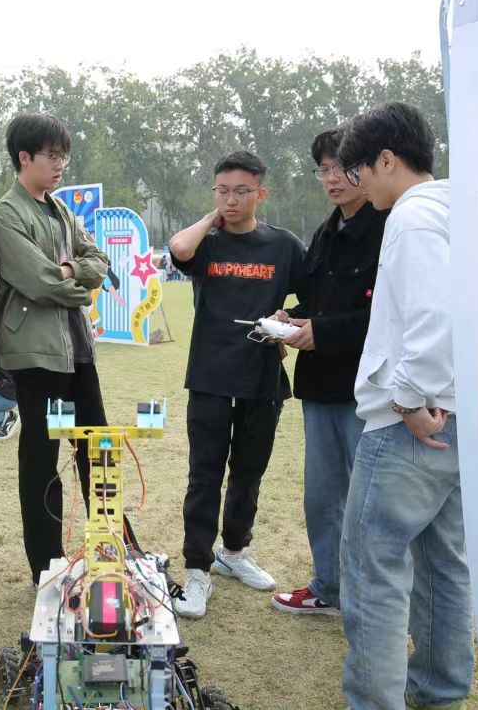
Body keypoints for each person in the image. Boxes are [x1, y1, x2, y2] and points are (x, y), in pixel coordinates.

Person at [335, 102, 470, 710]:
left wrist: (410, 396)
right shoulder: (460, 209)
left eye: (359, 171)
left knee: (373, 569)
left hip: (409, 424)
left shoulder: (413, 217)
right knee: (444, 563)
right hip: (460, 418)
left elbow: (433, 317)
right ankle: (440, 689)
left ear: (386, 160)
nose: (358, 186)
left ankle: (375, 700)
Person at [0, 112, 137, 585]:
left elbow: (99, 259)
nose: (60, 165)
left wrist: (69, 272)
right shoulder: (7, 213)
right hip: (36, 356)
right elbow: (37, 280)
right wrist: (76, 282)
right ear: (24, 157)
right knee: (42, 460)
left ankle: (118, 552)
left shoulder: (59, 210)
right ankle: (47, 567)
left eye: (64, 157)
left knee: (98, 451)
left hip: (76, 349)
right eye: (52, 156)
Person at [167, 151, 304, 619]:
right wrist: (213, 218)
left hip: (262, 378)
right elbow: (179, 249)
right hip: (209, 376)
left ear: (260, 193)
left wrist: (287, 320)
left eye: (241, 191)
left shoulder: (283, 246)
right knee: (204, 474)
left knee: (249, 472)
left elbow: (315, 297)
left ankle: (233, 552)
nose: (231, 199)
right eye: (222, 191)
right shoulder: (207, 243)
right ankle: (197, 570)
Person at [270, 129, 388, 618]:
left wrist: (321, 330)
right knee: (322, 497)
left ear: (367, 167)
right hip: (319, 388)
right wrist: (290, 320)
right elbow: (318, 304)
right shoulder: (324, 233)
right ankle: (329, 587)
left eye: (342, 167)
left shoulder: (388, 228)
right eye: (324, 169)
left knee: (370, 502)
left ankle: (372, 601)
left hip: (367, 392)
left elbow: (387, 316)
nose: (333, 178)